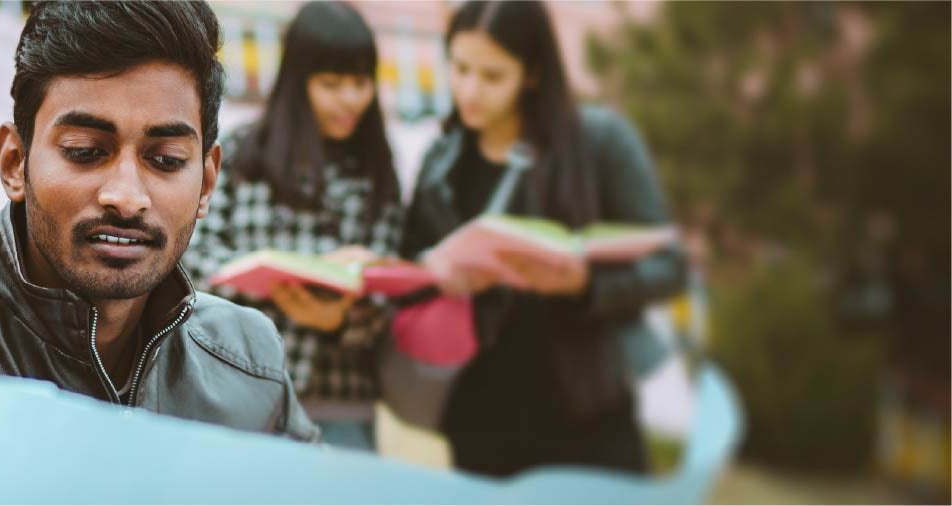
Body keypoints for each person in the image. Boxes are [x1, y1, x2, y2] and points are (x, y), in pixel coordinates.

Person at [0, 2, 319, 503]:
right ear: (14, 162)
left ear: (206, 183)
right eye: (85, 152)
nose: (127, 195)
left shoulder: (248, 362)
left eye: (165, 160)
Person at [400, 0, 685, 477]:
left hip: (589, 410)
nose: (469, 90)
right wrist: (437, 275)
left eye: (492, 77)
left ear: (532, 74)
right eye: (460, 67)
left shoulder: (601, 143)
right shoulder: (441, 164)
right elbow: (411, 270)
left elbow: (668, 266)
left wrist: (584, 284)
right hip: (480, 416)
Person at [183, 0, 401, 452]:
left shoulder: (377, 168)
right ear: (298, 82)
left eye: (360, 82)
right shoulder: (243, 154)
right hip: (237, 392)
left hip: (341, 406)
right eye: (331, 83)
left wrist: (342, 318)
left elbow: (390, 294)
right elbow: (192, 259)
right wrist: (271, 279)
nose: (350, 99)